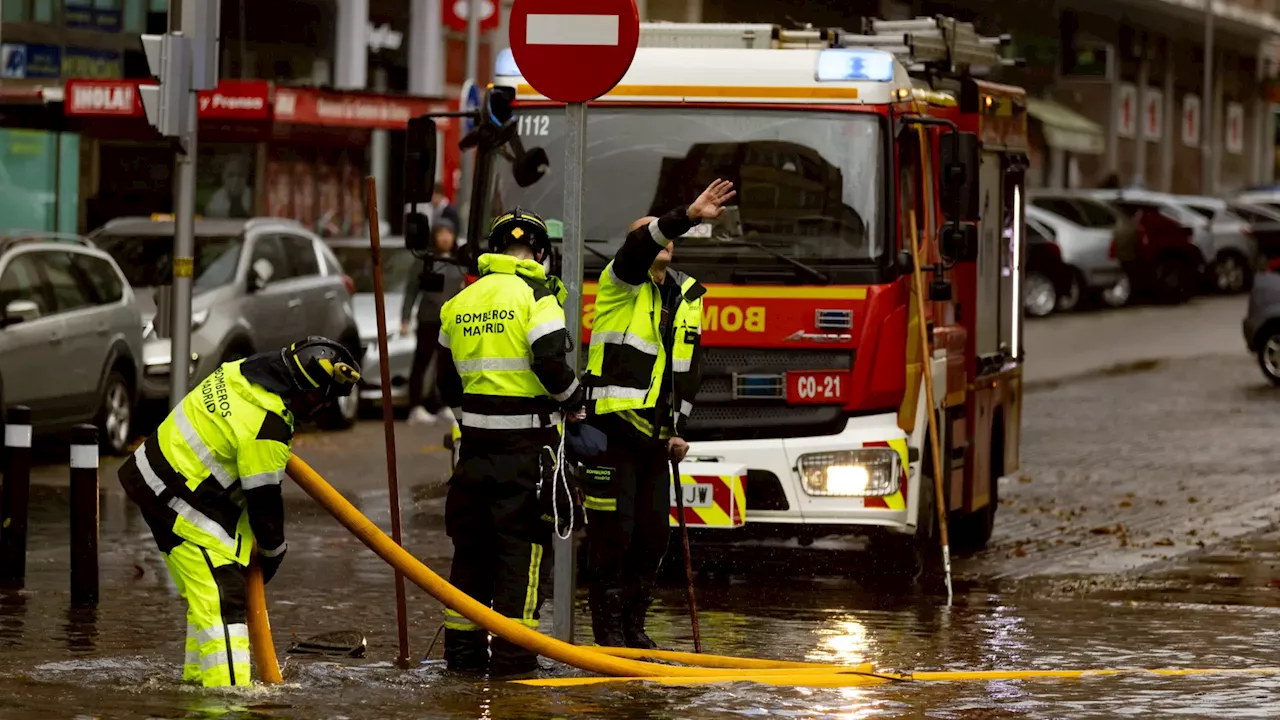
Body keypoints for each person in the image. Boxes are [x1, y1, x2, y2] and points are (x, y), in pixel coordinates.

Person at [117, 337, 361, 688]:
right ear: (309, 391)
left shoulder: (244, 371)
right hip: (181, 498)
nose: (323, 409)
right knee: (226, 598)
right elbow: (264, 503)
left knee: (207, 600)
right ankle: (229, 700)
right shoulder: (268, 425)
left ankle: (198, 688)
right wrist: (274, 553)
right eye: (324, 399)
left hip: (154, 478)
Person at [580, 179, 735, 649]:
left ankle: (634, 629)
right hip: (613, 429)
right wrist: (687, 215)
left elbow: (686, 372)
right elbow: (644, 243)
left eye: (662, 235)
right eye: (648, 234)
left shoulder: (687, 298)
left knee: (652, 539)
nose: (659, 239)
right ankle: (608, 637)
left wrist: (678, 430)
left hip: (655, 439)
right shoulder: (620, 281)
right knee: (613, 538)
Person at [435, 207, 585, 676]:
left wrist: (473, 420)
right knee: (520, 556)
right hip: (526, 458)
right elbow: (549, 364)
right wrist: (575, 399)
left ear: (494, 250)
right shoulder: (538, 296)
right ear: (541, 253)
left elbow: (444, 382)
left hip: (474, 454)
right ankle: (513, 668)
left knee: (471, 554)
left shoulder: (460, 302)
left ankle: (460, 664)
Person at [401, 219, 468, 426]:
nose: (445, 237)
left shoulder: (460, 261)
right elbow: (412, 290)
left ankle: (442, 404)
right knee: (422, 361)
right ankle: (415, 406)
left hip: (452, 322)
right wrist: (405, 317)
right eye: (441, 233)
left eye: (449, 233)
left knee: (447, 364)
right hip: (429, 318)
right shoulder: (425, 260)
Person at [205, 154, 254, 219]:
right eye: (231, 175)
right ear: (223, 176)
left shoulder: (254, 197)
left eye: (240, 175)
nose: (236, 180)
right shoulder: (215, 201)